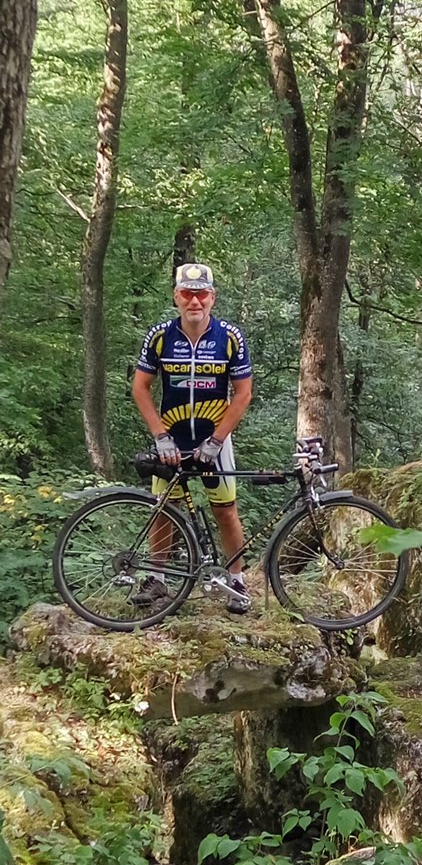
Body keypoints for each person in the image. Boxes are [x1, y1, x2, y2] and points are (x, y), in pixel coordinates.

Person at [132, 262, 253, 614]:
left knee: (225, 511)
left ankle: (237, 581)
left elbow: (243, 393)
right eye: (187, 293)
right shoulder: (160, 336)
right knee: (163, 509)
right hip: (172, 438)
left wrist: (217, 440)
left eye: (201, 294)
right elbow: (140, 387)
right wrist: (159, 436)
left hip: (215, 438)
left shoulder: (230, 337)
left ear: (212, 297)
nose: (194, 301)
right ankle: (157, 579)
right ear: (176, 297)